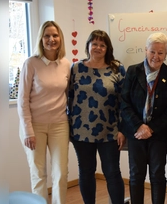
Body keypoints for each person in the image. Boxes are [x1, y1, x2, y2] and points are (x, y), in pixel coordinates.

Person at [68, 30, 126, 204]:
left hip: (110, 131)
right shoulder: (76, 68)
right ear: (88, 46)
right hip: (81, 131)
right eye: (95, 44)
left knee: (112, 172)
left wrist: (122, 129)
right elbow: (69, 97)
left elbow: (124, 101)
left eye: (102, 44)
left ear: (107, 48)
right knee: (86, 172)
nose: (98, 47)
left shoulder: (117, 68)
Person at [120, 32, 167, 204]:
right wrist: (139, 126)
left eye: (161, 52)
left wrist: (150, 128)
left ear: (166, 54)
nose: (156, 56)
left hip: (158, 133)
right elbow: (124, 102)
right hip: (135, 132)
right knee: (136, 174)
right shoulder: (133, 71)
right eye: (152, 51)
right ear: (145, 50)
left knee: (157, 174)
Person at [17, 21, 70, 204]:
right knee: (38, 174)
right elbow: (22, 100)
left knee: (61, 173)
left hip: (60, 125)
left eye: (55, 35)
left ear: (60, 38)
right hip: (34, 126)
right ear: (41, 38)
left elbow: (68, 95)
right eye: (47, 35)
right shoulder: (31, 63)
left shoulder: (66, 64)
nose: (51, 39)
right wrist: (28, 131)